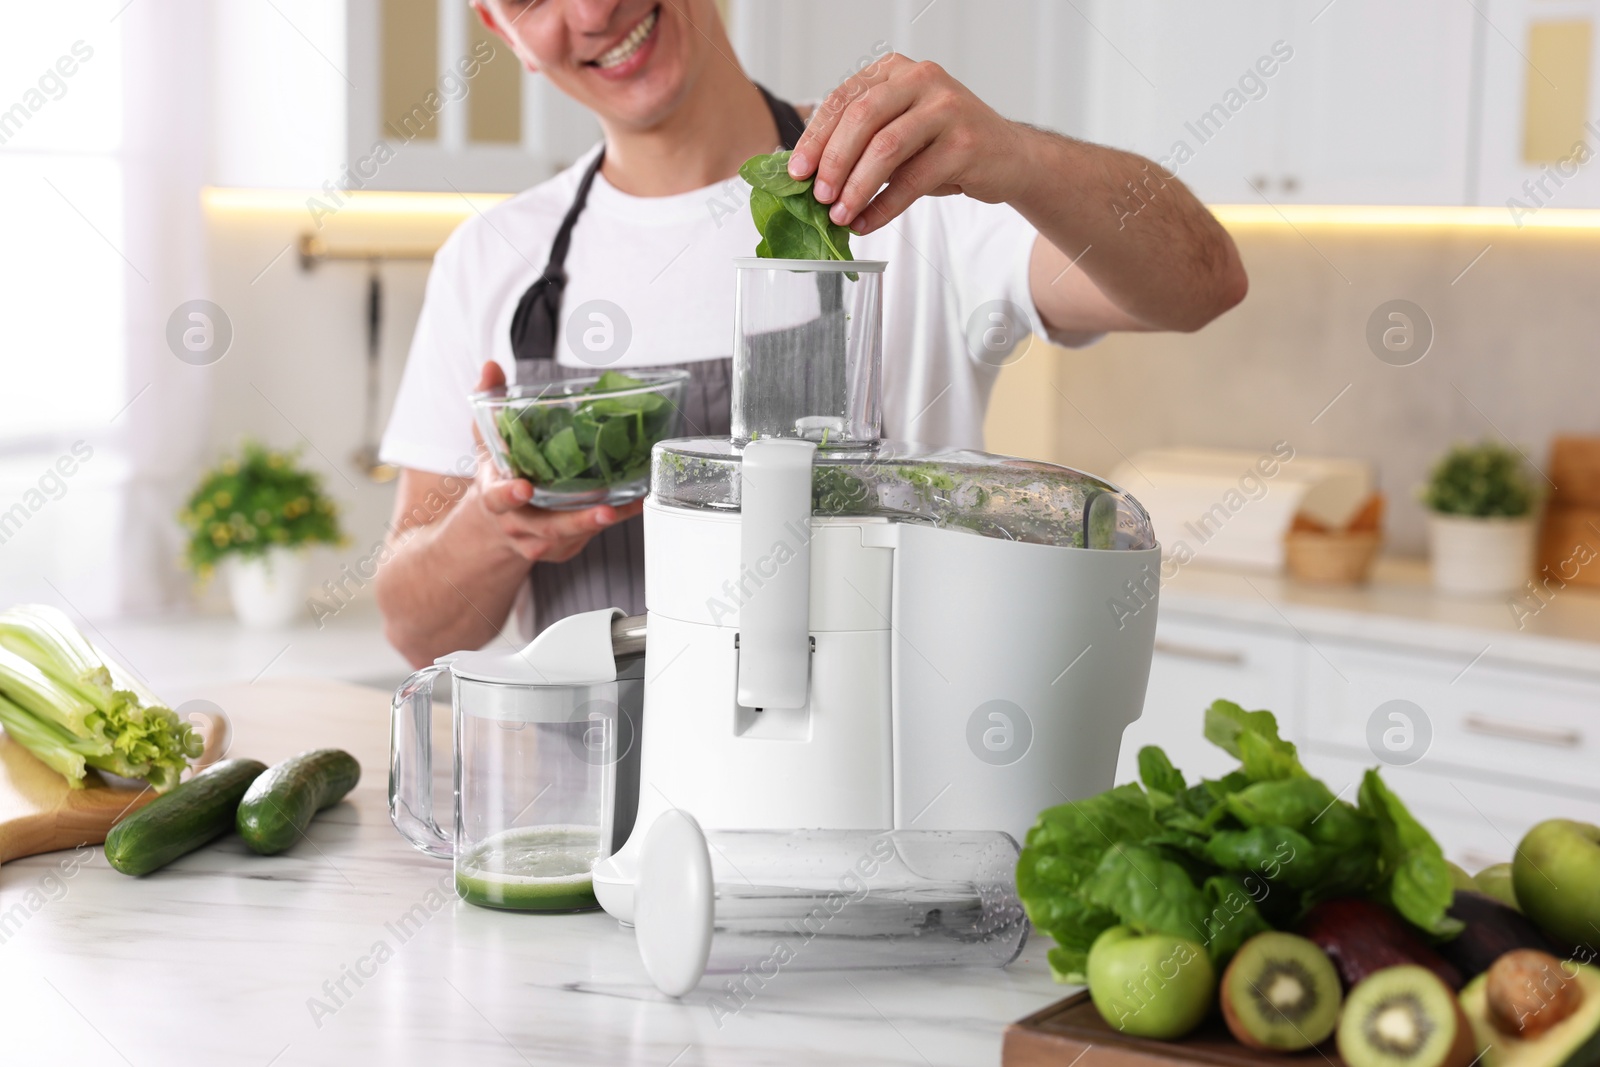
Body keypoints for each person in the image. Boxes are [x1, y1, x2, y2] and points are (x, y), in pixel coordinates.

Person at [374, 0, 1247, 667]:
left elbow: (1202, 284)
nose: (595, 12)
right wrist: (497, 530)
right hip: (597, 840)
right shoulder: (493, 259)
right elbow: (415, 628)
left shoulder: (916, 192)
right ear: (503, 29)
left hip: (881, 827)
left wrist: (1017, 155)